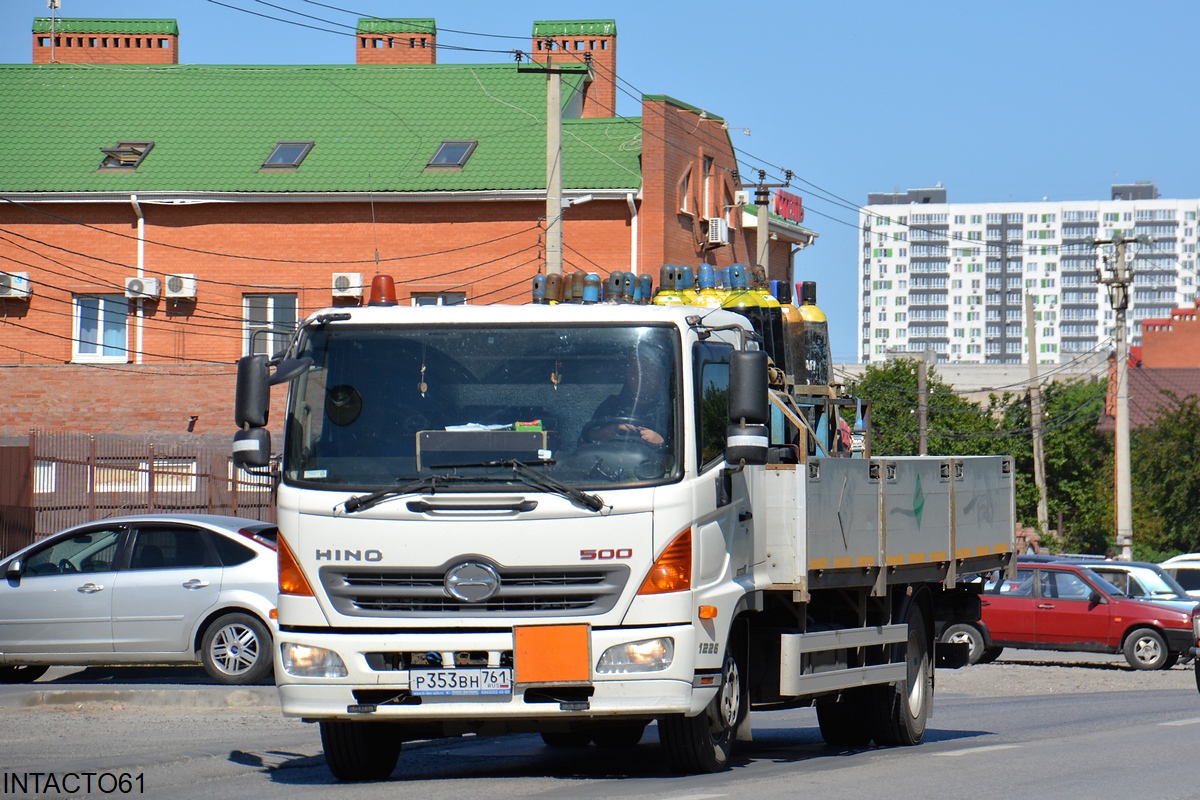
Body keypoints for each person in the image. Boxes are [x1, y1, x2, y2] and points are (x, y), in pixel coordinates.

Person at [582, 342, 671, 446]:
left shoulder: (674, 410)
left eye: (646, 370)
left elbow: (687, 446)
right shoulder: (611, 406)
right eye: (634, 369)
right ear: (627, 373)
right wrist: (608, 431)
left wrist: (662, 443)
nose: (639, 376)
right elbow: (582, 443)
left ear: (661, 374)